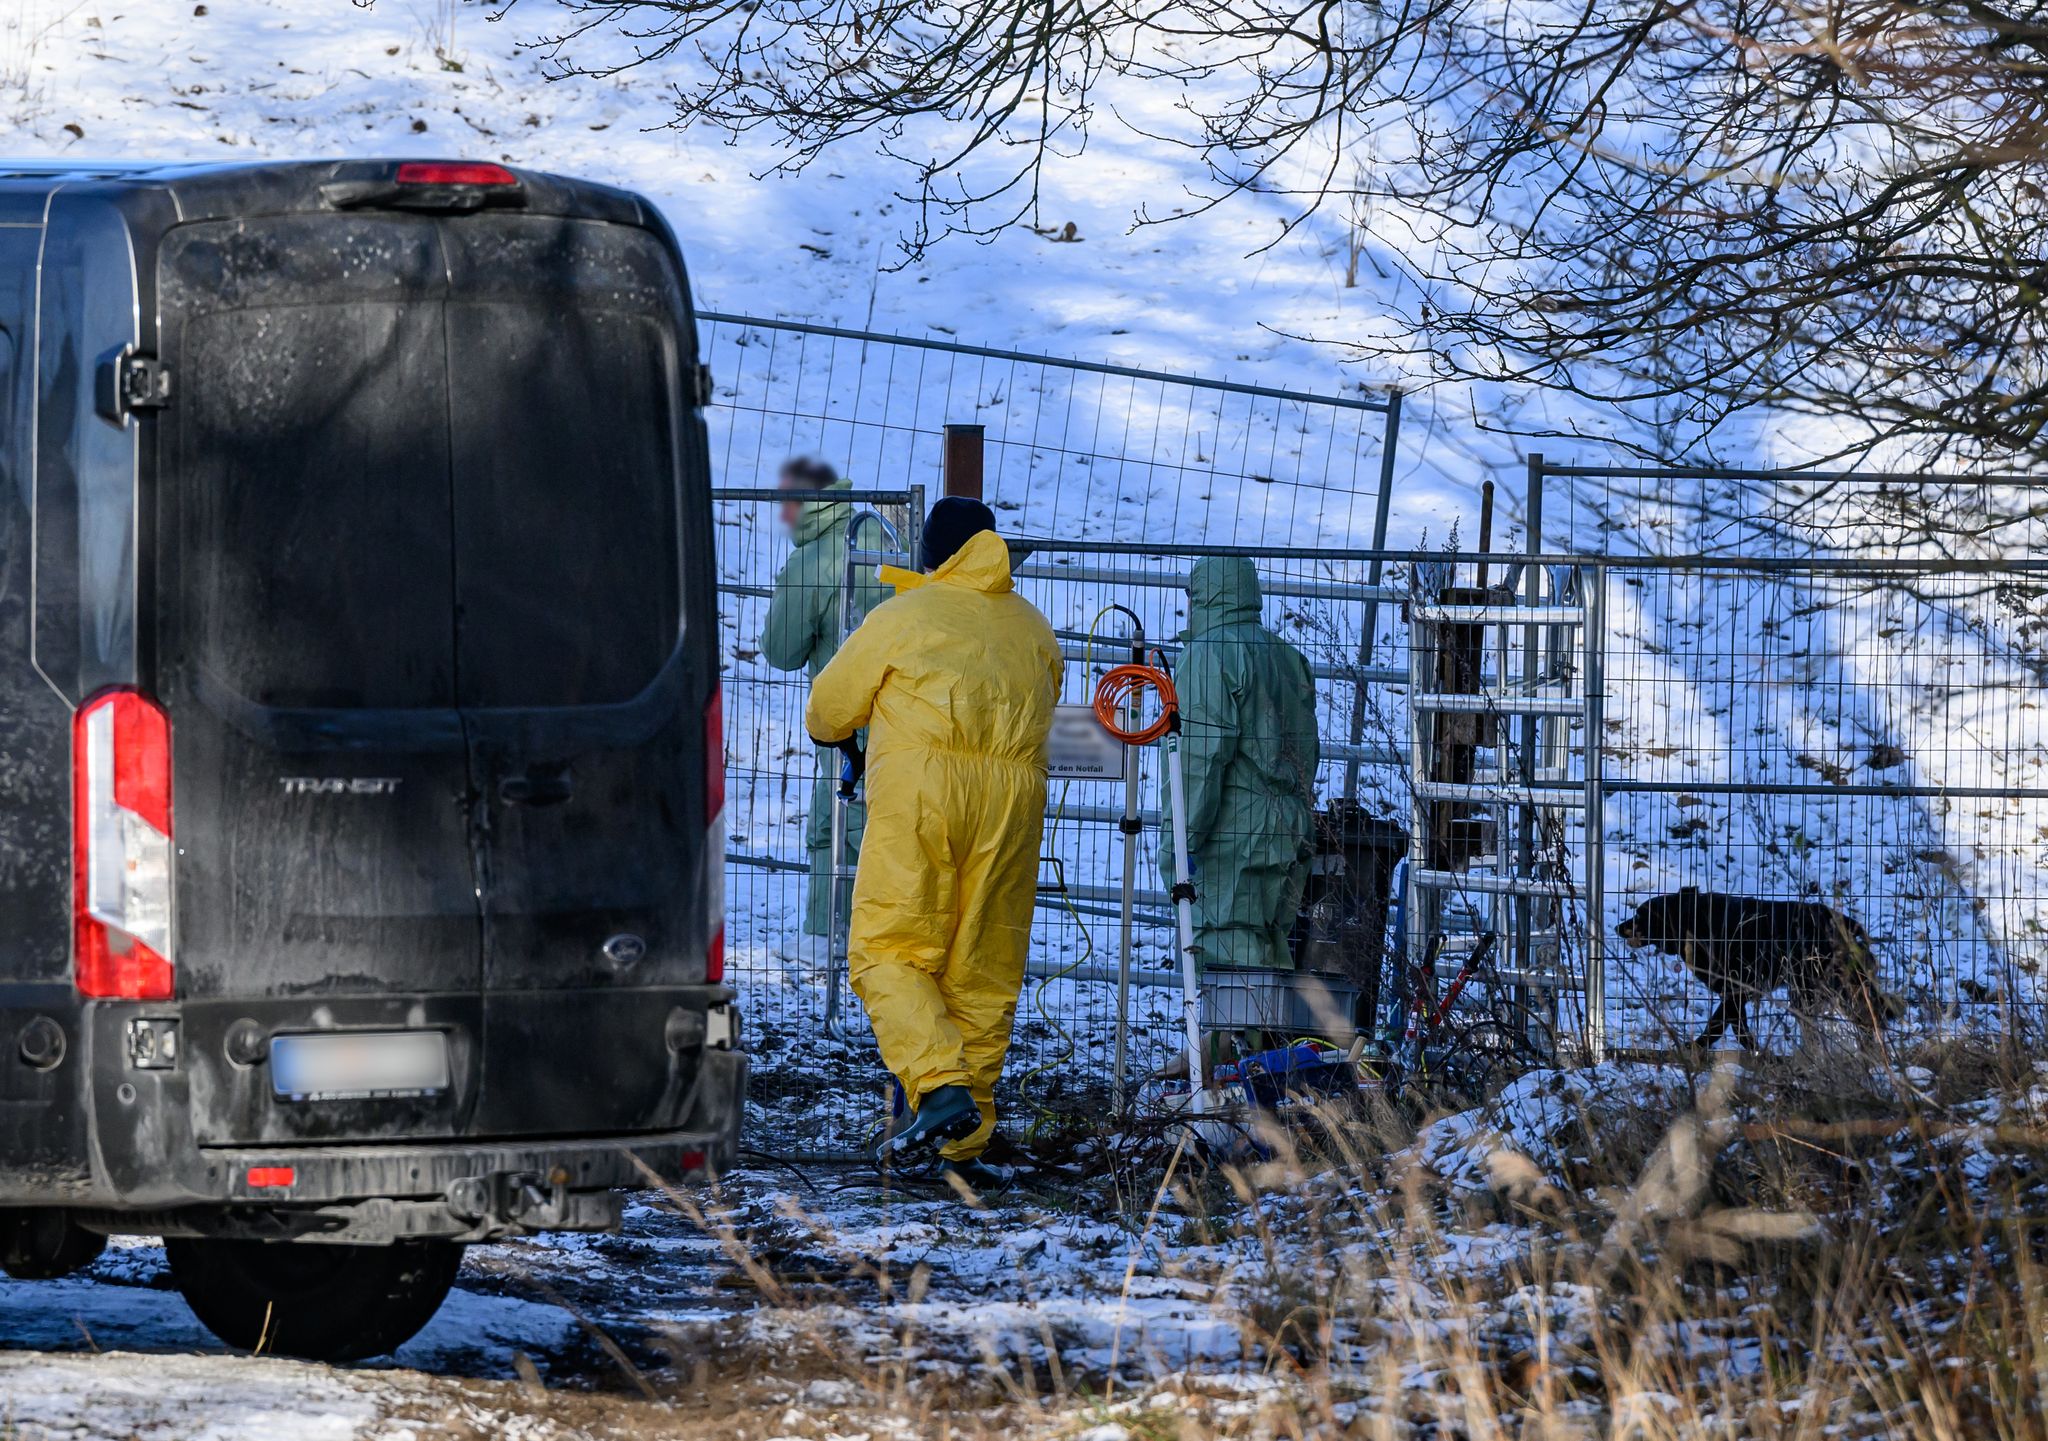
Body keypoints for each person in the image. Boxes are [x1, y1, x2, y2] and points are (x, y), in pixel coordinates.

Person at [805, 497, 1062, 1185]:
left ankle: (939, 1083)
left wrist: (851, 736)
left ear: (934, 552)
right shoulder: (1035, 628)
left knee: (886, 951)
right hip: (1013, 804)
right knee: (982, 967)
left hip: (923, 795)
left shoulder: (901, 618)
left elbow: (827, 709)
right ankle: (964, 1142)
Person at [1163, 556, 1320, 970]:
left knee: (1223, 967)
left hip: (1231, 842)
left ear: (1204, 595)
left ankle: (1221, 1038)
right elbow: (1308, 752)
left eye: (1191, 595)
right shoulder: (1286, 656)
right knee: (1269, 959)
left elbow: (1199, 762)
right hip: (1286, 830)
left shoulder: (1209, 656)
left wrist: (1178, 843)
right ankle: (1264, 1038)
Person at [761, 458, 882, 941]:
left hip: (846, 722)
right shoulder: (883, 535)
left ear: (808, 502)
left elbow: (781, 650)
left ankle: (830, 946)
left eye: (786, 503)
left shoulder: (814, 562)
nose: (783, 516)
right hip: (910, 716)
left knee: (835, 831)